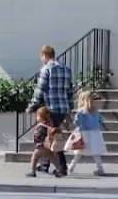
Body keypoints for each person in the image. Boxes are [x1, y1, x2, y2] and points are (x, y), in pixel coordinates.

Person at [25, 44, 75, 173]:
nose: (41, 59)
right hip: (63, 108)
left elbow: (39, 90)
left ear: (44, 55)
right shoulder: (66, 69)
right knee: (50, 136)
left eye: (42, 56)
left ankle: (62, 167)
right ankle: (45, 165)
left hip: (51, 108)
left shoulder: (46, 69)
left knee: (54, 139)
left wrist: (32, 105)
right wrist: (70, 107)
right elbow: (70, 90)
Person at [67, 89, 107, 176]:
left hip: (84, 133)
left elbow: (77, 121)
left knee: (79, 151)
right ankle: (100, 168)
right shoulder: (96, 111)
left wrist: (76, 125)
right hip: (94, 133)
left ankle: (71, 166)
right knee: (95, 152)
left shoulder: (81, 111)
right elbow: (100, 120)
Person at [26, 107, 57, 178]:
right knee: (53, 158)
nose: (36, 117)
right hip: (49, 145)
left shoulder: (41, 126)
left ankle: (33, 172)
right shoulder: (49, 123)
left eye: (37, 116)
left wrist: (35, 139)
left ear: (41, 117)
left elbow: (38, 136)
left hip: (41, 146)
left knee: (34, 158)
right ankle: (59, 170)